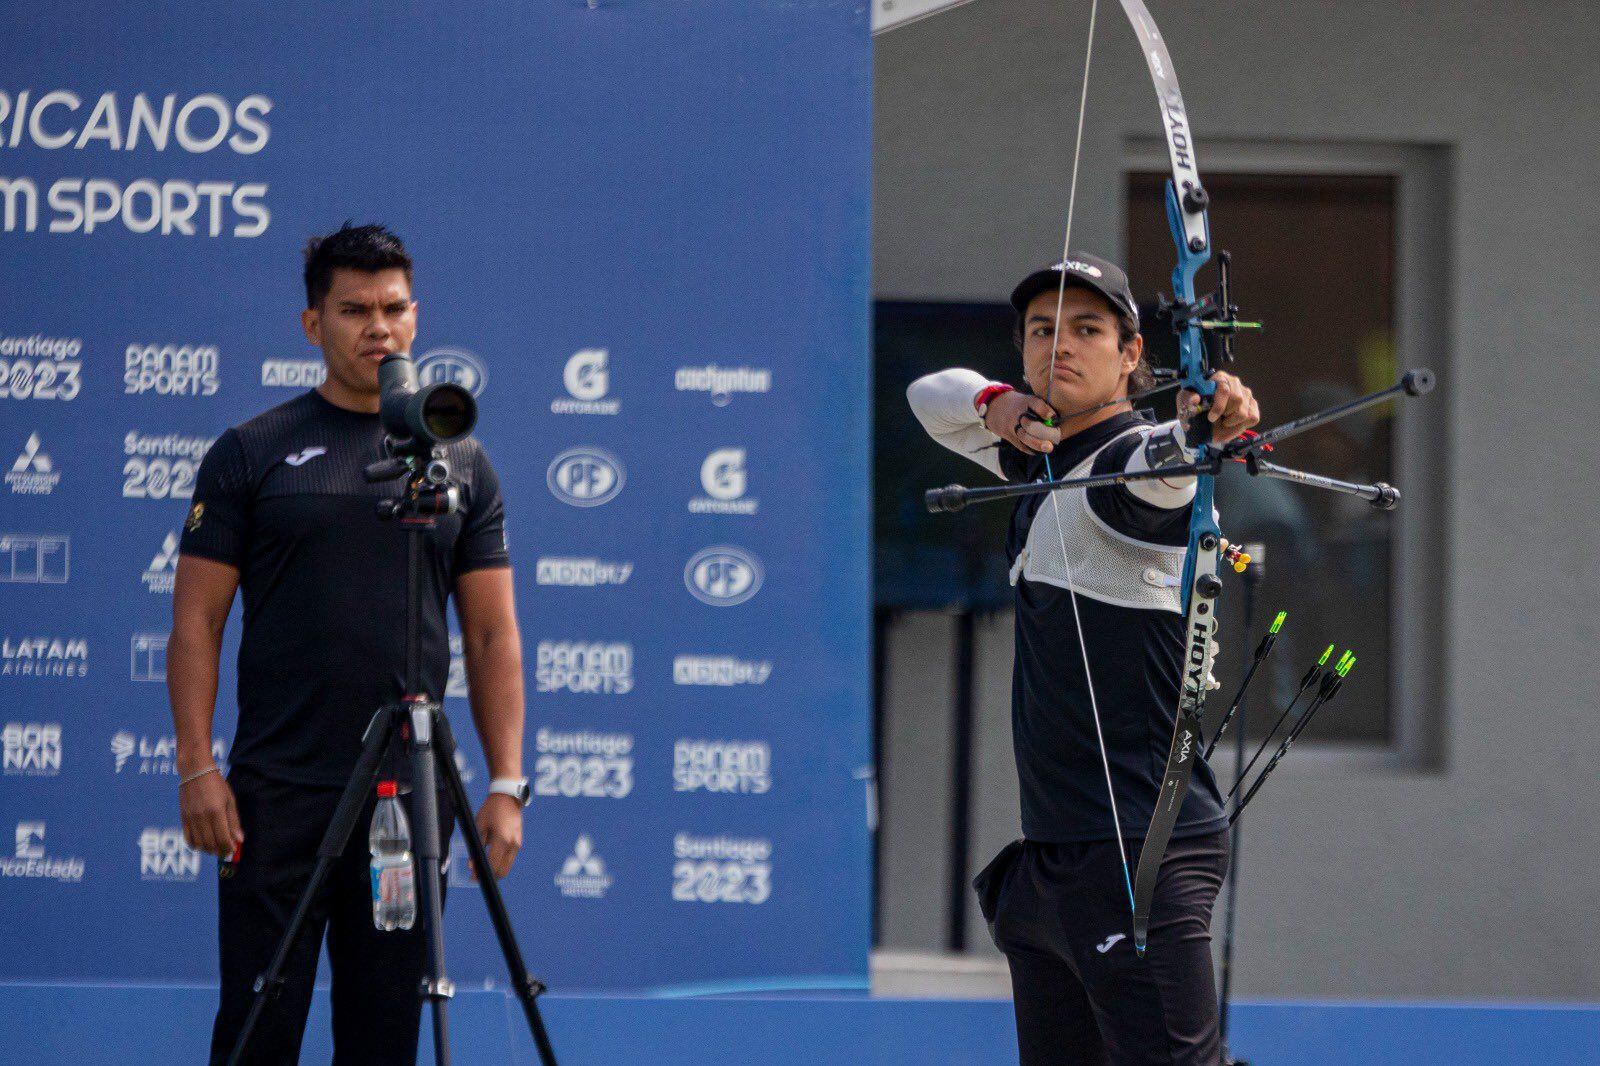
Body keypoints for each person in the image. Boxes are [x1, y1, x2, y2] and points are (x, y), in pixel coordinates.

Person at [167, 223, 530, 1064]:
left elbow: (491, 631)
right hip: (275, 792)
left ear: (416, 315)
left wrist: (508, 782)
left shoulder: (460, 461)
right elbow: (197, 622)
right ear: (312, 325)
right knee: (256, 1030)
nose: (379, 328)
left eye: (395, 308)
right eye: (355, 309)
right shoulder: (250, 452)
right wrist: (197, 766)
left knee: (384, 1036)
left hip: (406, 801)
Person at [907, 253, 1260, 1066]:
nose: (1058, 345)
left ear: (1132, 354)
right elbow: (929, 396)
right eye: (1042, 330)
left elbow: (1160, 472)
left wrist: (1203, 427)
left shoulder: (1122, 463)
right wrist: (996, 405)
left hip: (1139, 849)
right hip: (1056, 857)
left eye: (1088, 330)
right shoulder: (1035, 456)